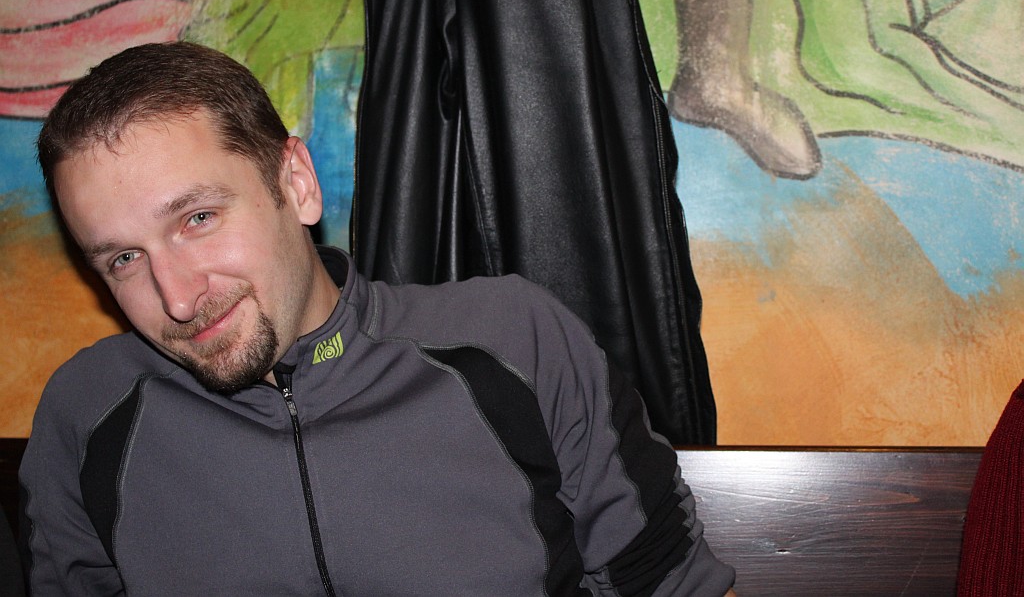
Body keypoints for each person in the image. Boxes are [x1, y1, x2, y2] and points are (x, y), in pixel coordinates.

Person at [20, 41, 737, 596]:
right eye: (123, 259)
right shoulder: (87, 414)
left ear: (296, 182)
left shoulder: (515, 342)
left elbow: (672, 585)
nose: (177, 298)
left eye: (198, 218)